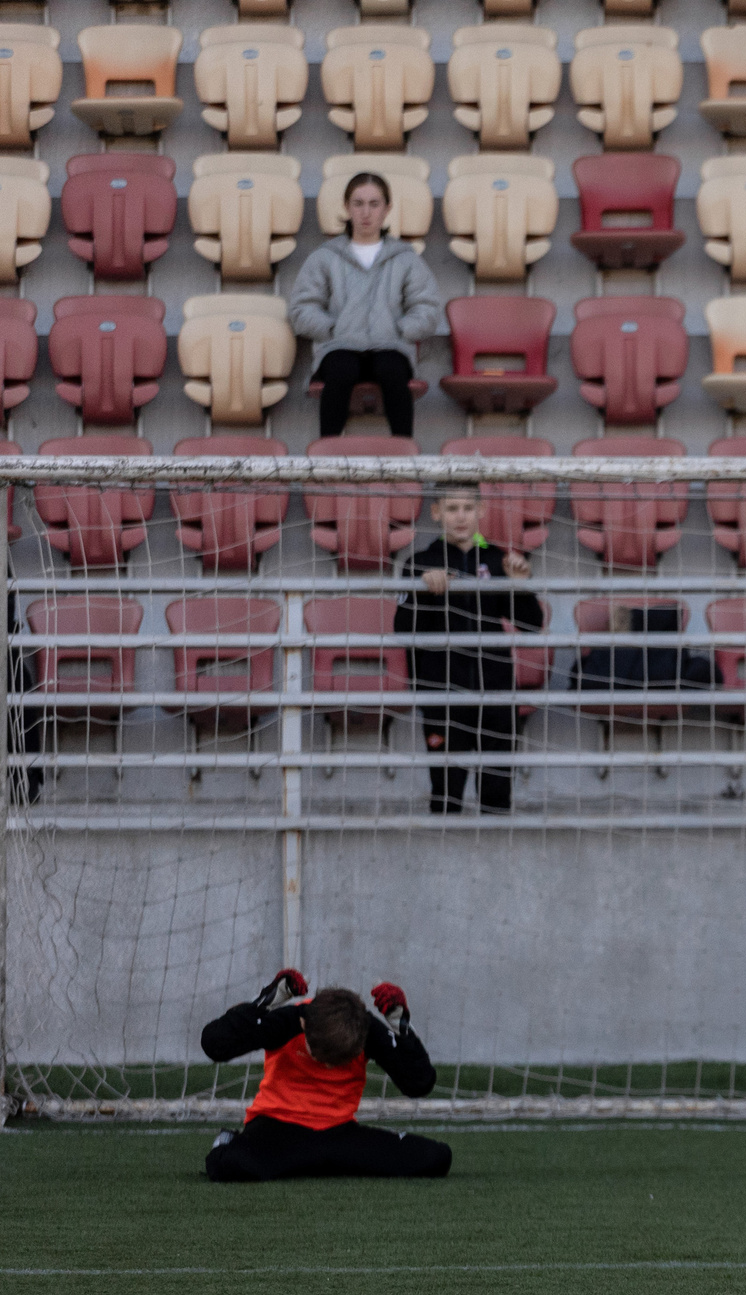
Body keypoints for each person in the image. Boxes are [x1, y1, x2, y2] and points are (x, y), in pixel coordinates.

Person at [201, 972, 446, 1182]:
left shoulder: (364, 1028)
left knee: (436, 1158)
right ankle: (228, 1140)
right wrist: (262, 1004)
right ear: (304, 1025)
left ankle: (316, 1160)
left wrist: (401, 1029)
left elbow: (419, 1083)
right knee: (229, 1166)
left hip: (339, 1134)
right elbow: (214, 1044)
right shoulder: (289, 1020)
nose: (327, 1064)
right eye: (319, 1056)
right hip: (276, 1127)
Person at [395, 488, 542, 815]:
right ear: (435, 512)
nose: (460, 517)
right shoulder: (420, 562)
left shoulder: (497, 558)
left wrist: (520, 587)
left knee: (497, 793)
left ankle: (494, 863)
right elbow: (401, 629)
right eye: (451, 509)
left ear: (481, 511)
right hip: (442, 692)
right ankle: (445, 862)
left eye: (467, 508)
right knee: (446, 794)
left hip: (496, 691)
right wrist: (424, 592)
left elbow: (532, 624)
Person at [286, 173, 442, 442]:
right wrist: (333, 328)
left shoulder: (405, 258)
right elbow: (301, 309)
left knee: (392, 371)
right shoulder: (325, 257)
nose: (366, 212)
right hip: (340, 345)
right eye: (358, 203)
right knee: (340, 371)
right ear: (347, 207)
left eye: (374, 203)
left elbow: (427, 307)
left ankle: (404, 460)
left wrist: (398, 329)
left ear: (387, 209)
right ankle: (326, 461)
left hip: (389, 345)